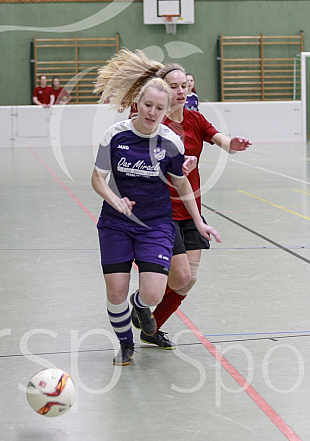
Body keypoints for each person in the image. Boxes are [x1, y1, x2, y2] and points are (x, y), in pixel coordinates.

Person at [112, 58, 250, 350]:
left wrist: (232, 144)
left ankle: (151, 327)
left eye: (184, 86)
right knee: (177, 275)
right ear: (162, 88)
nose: (181, 91)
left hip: (191, 209)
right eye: (173, 86)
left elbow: (219, 138)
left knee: (187, 281)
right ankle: (143, 297)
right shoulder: (151, 122)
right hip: (160, 211)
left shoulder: (195, 120)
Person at [92, 70, 221, 366]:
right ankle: (125, 345)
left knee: (152, 293)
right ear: (138, 103)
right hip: (116, 223)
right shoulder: (115, 136)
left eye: (160, 108)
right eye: (148, 105)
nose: (153, 112)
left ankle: (140, 307)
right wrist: (115, 200)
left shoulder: (171, 142)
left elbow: (182, 182)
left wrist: (199, 221)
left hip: (155, 225)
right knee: (115, 291)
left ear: (167, 110)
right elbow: (98, 178)